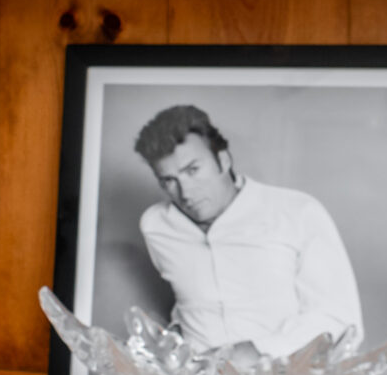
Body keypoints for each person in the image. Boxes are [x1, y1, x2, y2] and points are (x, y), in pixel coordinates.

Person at [132, 105, 362, 358]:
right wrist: (175, 334)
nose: (185, 193)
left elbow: (339, 319)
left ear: (223, 160)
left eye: (193, 170)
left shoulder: (298, 212)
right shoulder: (155, 225)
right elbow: (189, 301)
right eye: (169, 180)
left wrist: (253, 352)